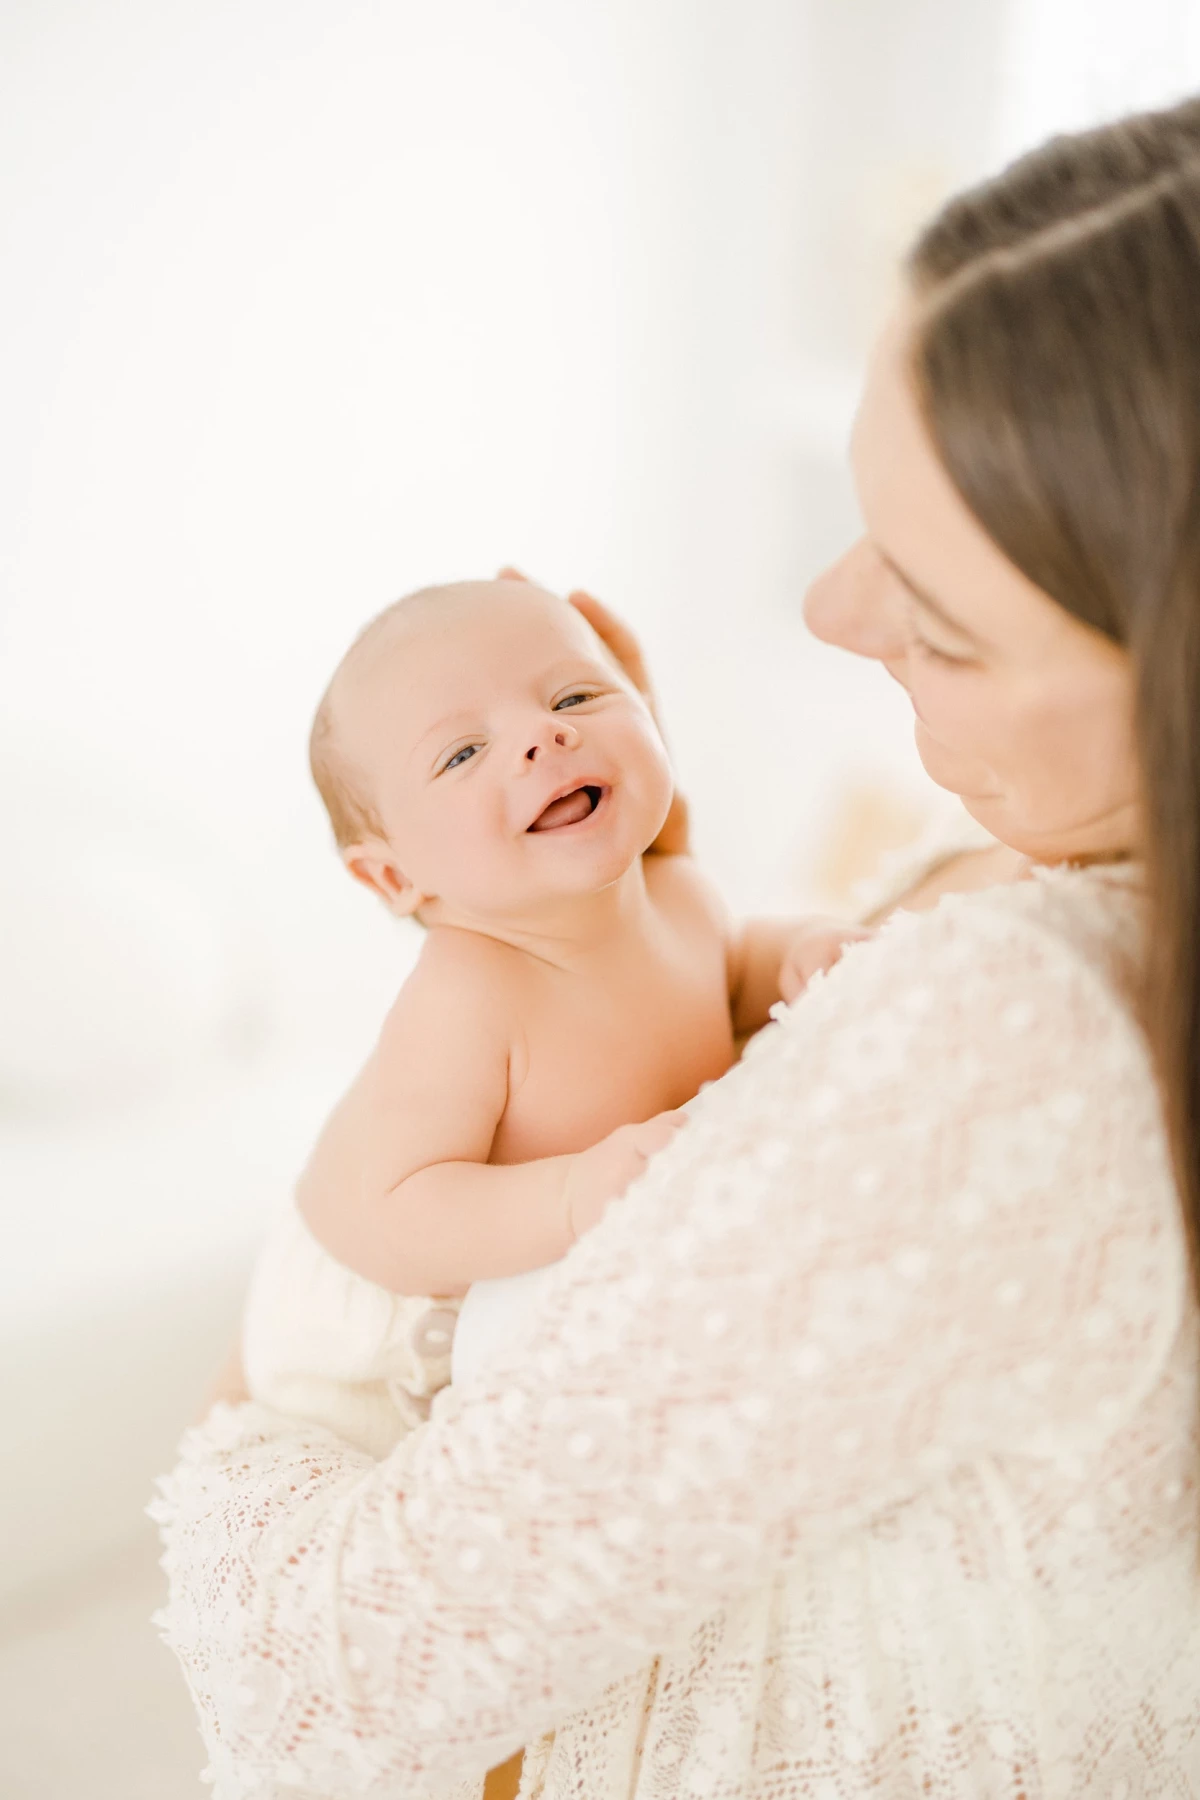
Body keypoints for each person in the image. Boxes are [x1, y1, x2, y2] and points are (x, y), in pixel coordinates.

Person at [151, 96, 1200, 1798]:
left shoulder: (1012, 1027)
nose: (826, 613)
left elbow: (333, 1684)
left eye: (932, 610)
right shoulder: (491, 981)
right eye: (466, 754)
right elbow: (361, 1210)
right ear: (391, 881)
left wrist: (776, 955)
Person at [242, 576, 855, 1461]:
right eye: (462, 754)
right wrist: (572, 1194)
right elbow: (397, 1206)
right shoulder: (471, 992)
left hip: (542, 1267)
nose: (542, 735)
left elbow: (722, 977)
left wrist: (798, 953)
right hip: (383, 1322)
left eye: (575, 696)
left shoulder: (680, 891)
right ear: (395, 878)